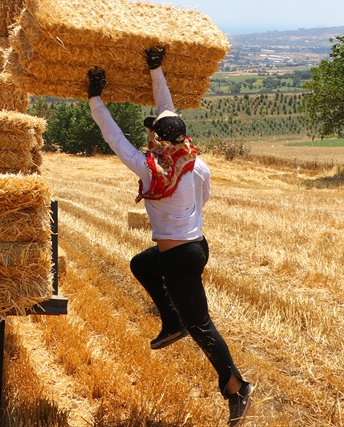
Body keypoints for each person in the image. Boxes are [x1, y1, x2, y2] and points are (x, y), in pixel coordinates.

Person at [86, 48, 254, 426]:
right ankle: (171, 319)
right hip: (195, 245)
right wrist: (155, 69)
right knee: (142, 263)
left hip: (180, 257)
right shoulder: (193, 161)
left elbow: (112, 136)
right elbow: (168, 109)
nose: (149, 134)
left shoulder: (151, 172)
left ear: (159, 138)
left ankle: (236, 387)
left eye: (152, 131)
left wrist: (96, 98)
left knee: (201, 326)